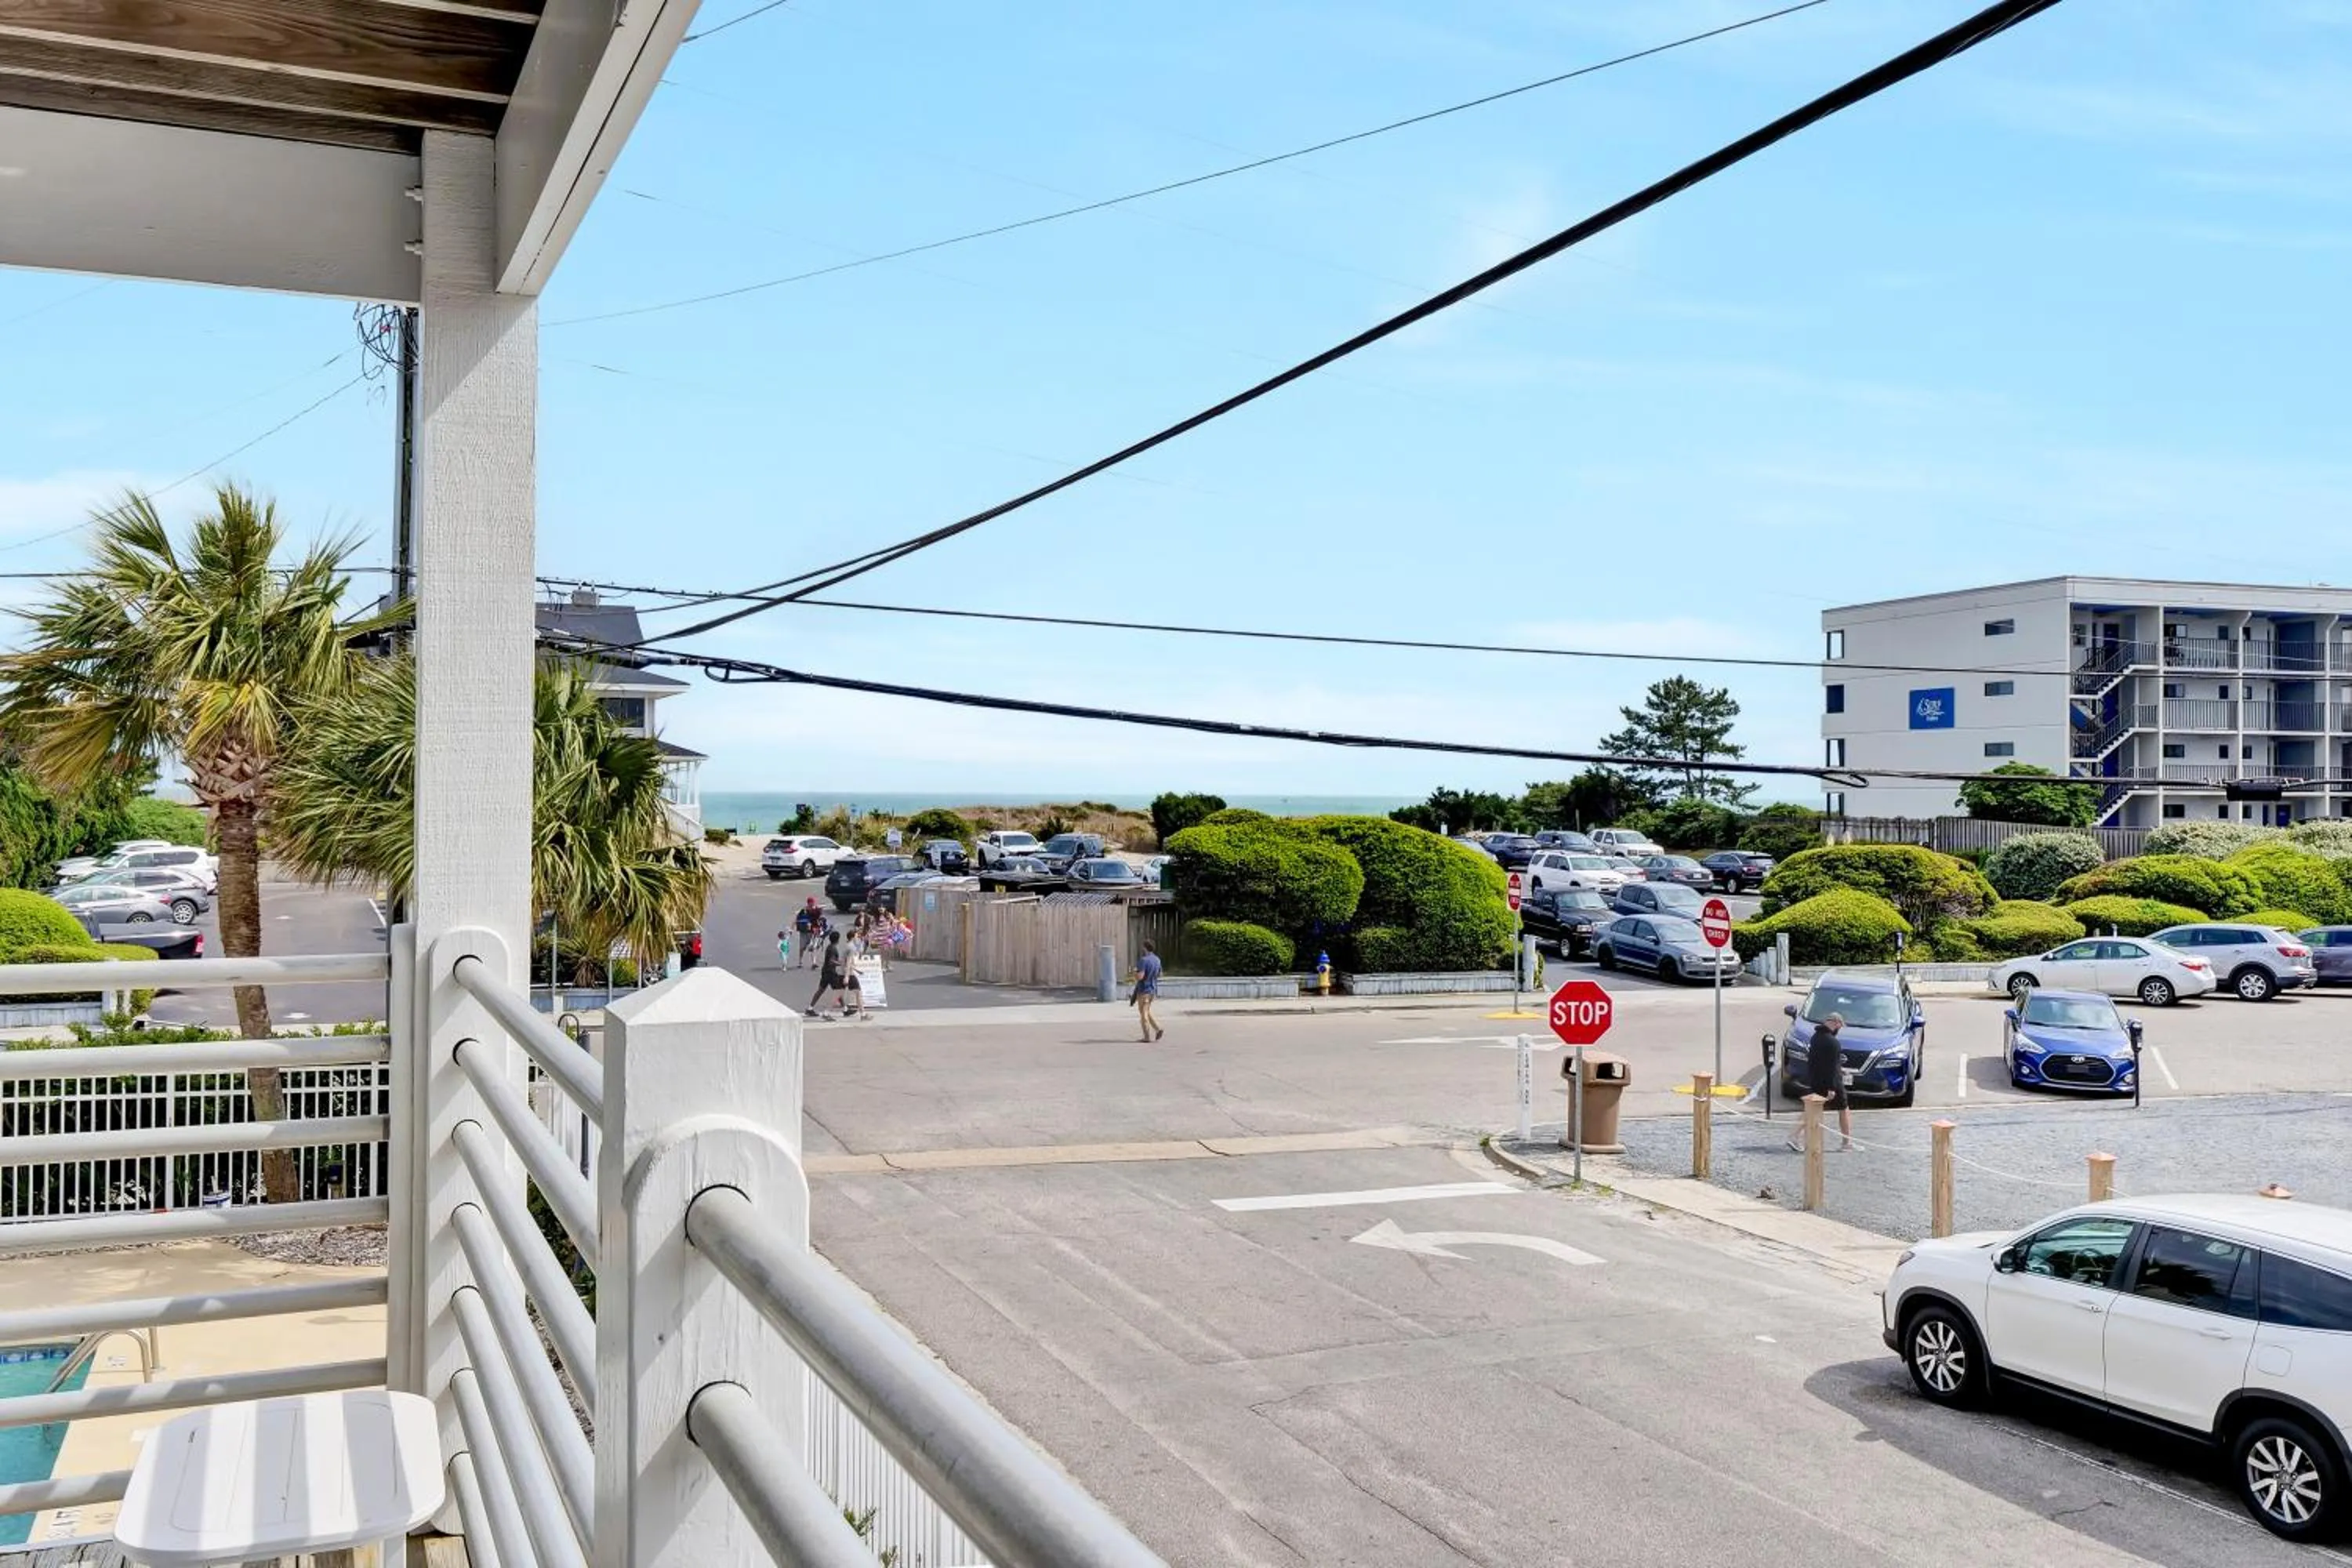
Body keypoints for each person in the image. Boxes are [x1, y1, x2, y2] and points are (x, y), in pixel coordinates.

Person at [1791, 1011, 1854, 1152]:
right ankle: (1847, 1143)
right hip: (1832, 1082)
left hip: (1817, 1079)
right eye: (1839, 1026)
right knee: (1843, 1109)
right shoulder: (1833, 1043)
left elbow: (1821, 1061)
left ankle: (1794, 1135)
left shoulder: (1816, 1038)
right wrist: (1831, 1088)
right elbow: (1831, 1066)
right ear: (1836, 1023)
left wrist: (1839, 1069)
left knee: (1812, 1110)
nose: (1839, 1030)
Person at [808, 932, 851, 1018]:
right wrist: (841, 963)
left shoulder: (830, 947)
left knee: (821, 990)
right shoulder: (833, 949)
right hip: (831, 973)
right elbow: (831, 961)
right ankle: (844, 1009)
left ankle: (810, 1008)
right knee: (838, 990)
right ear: (838, 939)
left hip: (826, 972)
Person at [1131, 940, 1164, 1042]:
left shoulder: (1143, 960)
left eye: (1143, 947)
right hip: (1152, 990)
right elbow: (1160, 974)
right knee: (1146, 1011)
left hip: (1144, 990)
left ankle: (1147, 1037)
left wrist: (1134, 973)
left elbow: (1140, 977)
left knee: (1143, 1014)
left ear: (1145, 948)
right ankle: (1158, 1029)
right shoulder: (1157, 960)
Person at [793, 898, 826, 968]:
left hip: (814, 932)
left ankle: (814, 962)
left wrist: (821, 929)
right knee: (802, 947)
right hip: (804, 932)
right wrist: (792, 928)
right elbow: (797, 919)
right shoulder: (804, 911)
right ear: (808, 903)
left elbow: (820, 920)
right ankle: (800, 961)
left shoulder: (816, 910)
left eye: (813, 903)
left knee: (813, 947)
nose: (812, 904)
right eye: (811, 903)